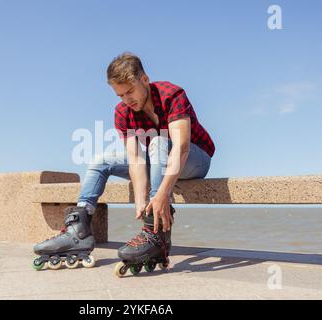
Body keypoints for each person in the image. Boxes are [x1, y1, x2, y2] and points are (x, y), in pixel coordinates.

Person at [32, 52, 215, 276]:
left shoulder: (171, 94)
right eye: (120, 95)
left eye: (130, 91)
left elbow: (182, 147)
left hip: (194, 160)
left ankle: (154, 232)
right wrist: (140, 200)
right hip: (158, 158)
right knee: (101, 160)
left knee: (159, 141)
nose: (127, 99)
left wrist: (161, 196)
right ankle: (78, 231)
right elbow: (137, 159)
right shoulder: (123, 112)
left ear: (145, 80)